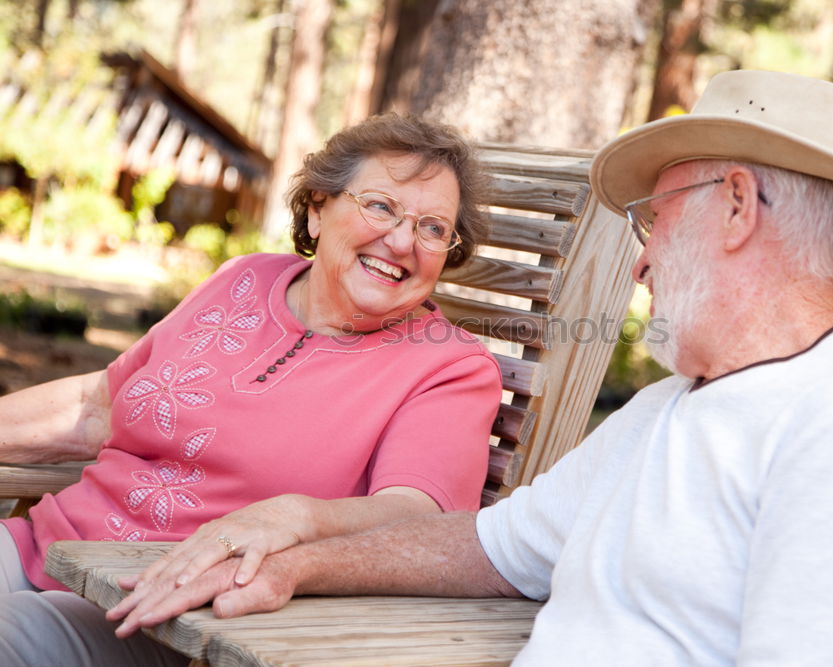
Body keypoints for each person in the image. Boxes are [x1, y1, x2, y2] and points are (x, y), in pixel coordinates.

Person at [110, 71, 833, 665]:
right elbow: (493, 548)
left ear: (737, 206)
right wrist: (298, 555)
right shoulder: (674, 409)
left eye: (656, 216)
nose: (640, 262)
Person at [0, 112, 503, 665]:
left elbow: (418, 517)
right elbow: (100, 406)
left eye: (433, 228)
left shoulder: (449, 366)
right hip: (40, 548)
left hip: (165, 613)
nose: (403, 240)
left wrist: (295, 517)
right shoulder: (244, 278)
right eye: (381, 206)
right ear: (317, 209)